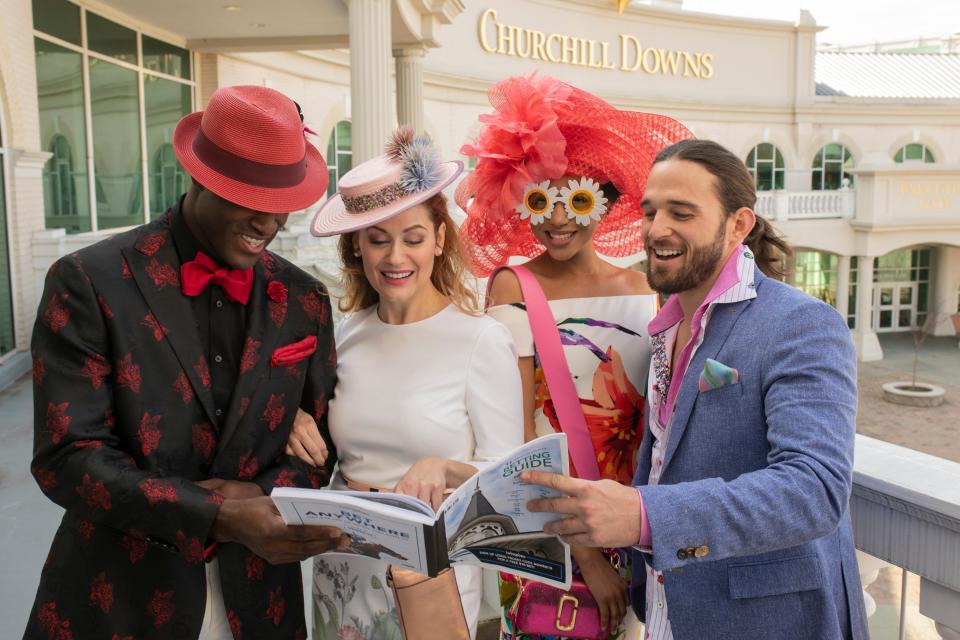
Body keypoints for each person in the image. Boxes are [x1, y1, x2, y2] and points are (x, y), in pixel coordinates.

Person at [25, 86, 345, 640]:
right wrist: (215, 513)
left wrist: (271, 497)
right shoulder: (89, 281)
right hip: (121, 599)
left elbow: (319, 445)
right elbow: (68, 456)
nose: (268, 223)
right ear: (198, 177)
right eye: (249, 198)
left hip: (261, 603)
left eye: (280, 205)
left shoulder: (305, 299)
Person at [522, 139, 869, 640]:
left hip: (760, 622)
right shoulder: (663, 325)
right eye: (651, 211)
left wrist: (644, 515)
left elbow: (814, 490)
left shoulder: (801, 323)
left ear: (739, 225)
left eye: (681, 213)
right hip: (667, 611)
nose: (657, 229)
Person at [454, 73, 692, 639]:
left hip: (633, 523)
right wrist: (585, 554)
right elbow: (516, 437)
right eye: (541, 201)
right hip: (554, 534)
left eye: (576, 199)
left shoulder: (643, 287)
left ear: (605, 203)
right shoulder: (513, 288)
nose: (558, 219)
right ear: (522, 204)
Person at [288, 128, 524, 640]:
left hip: (428, 573)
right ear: (357, 247)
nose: (396, 258)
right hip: (343, 570)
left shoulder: (481, 340)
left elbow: (510, 480)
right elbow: (329, 450)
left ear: (439, 240)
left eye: (413, 238)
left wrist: (444, 467)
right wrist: (291, 418)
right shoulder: (345, 334)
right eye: (378, 240)